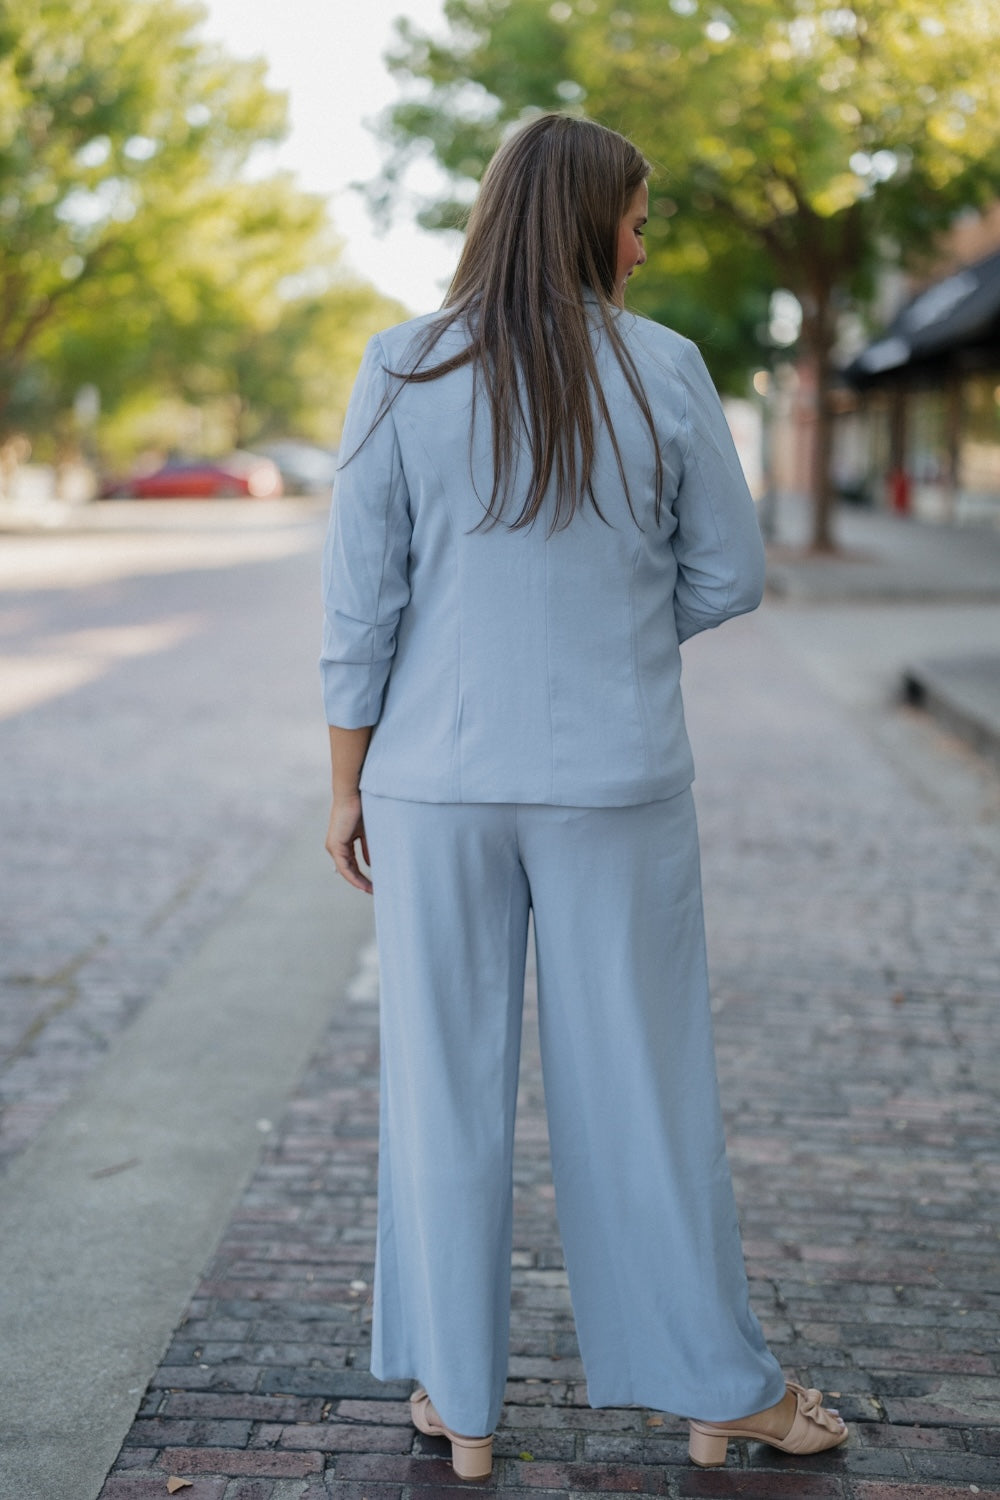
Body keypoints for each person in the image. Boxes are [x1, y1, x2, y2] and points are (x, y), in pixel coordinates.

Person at [320, 113, 847, 1481]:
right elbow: (728, 577)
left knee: (438, 1089)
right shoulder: (667, 368)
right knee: (648, 1088)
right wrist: (606, 636)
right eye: (638, 216)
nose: (644, 238)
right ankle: (718, 1391)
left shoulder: (399, 365)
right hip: (613, 778)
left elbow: (361, 608)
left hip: (430, 781)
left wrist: (343, 786)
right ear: (589, 222)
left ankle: (465, 1401)